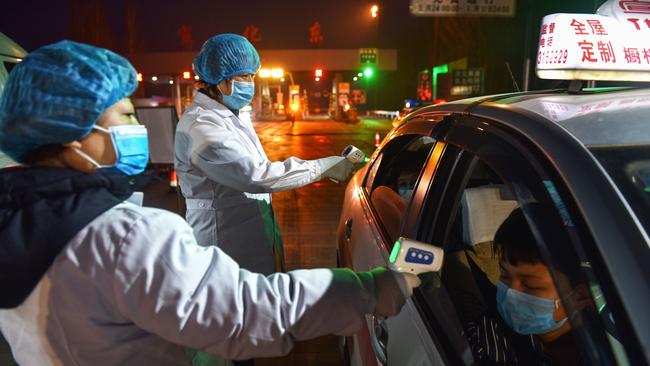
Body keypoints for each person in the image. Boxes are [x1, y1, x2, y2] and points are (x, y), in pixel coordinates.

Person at [0, 40, 420, 365]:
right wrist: (371, 288)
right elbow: (245, 310)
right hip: (225, 242)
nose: (138, 125)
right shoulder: (124, 237)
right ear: (74, 136)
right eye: (126, 115)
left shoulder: (16, 221)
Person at [174, 34, 356, 275]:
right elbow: (256, 175)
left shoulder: (230, 115)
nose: (250, 83)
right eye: (244, 76)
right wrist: (324, 167)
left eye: (252, 76)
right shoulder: (201, 126)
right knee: (232, 307)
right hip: (223, 241)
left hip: (248, 235)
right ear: (221, 81)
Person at [464, 206, 592, 365]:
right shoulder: (489, 334)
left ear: (579, 295)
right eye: (504, 275)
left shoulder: (609, 349)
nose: (511, 293)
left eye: (531, 285)